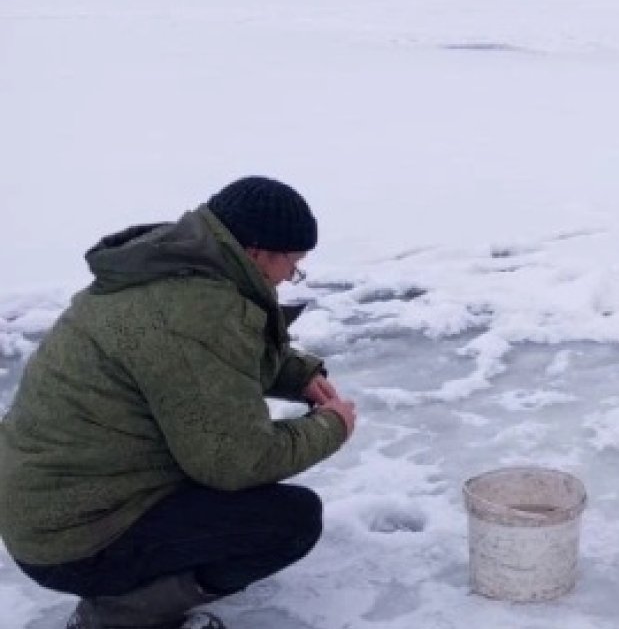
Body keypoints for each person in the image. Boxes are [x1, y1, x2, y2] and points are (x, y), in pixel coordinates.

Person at [0, 176, 357, 629]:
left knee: (219, 475)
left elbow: (212, 360)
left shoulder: (173, 270)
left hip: (54, 502)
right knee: (287, 521)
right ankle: (115, 615)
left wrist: (299, 376)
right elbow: (238, 461)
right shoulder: (195, 313)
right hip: (76, 539)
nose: (291, 276)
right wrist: (331, 426)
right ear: (258, 252)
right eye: (294, 263)